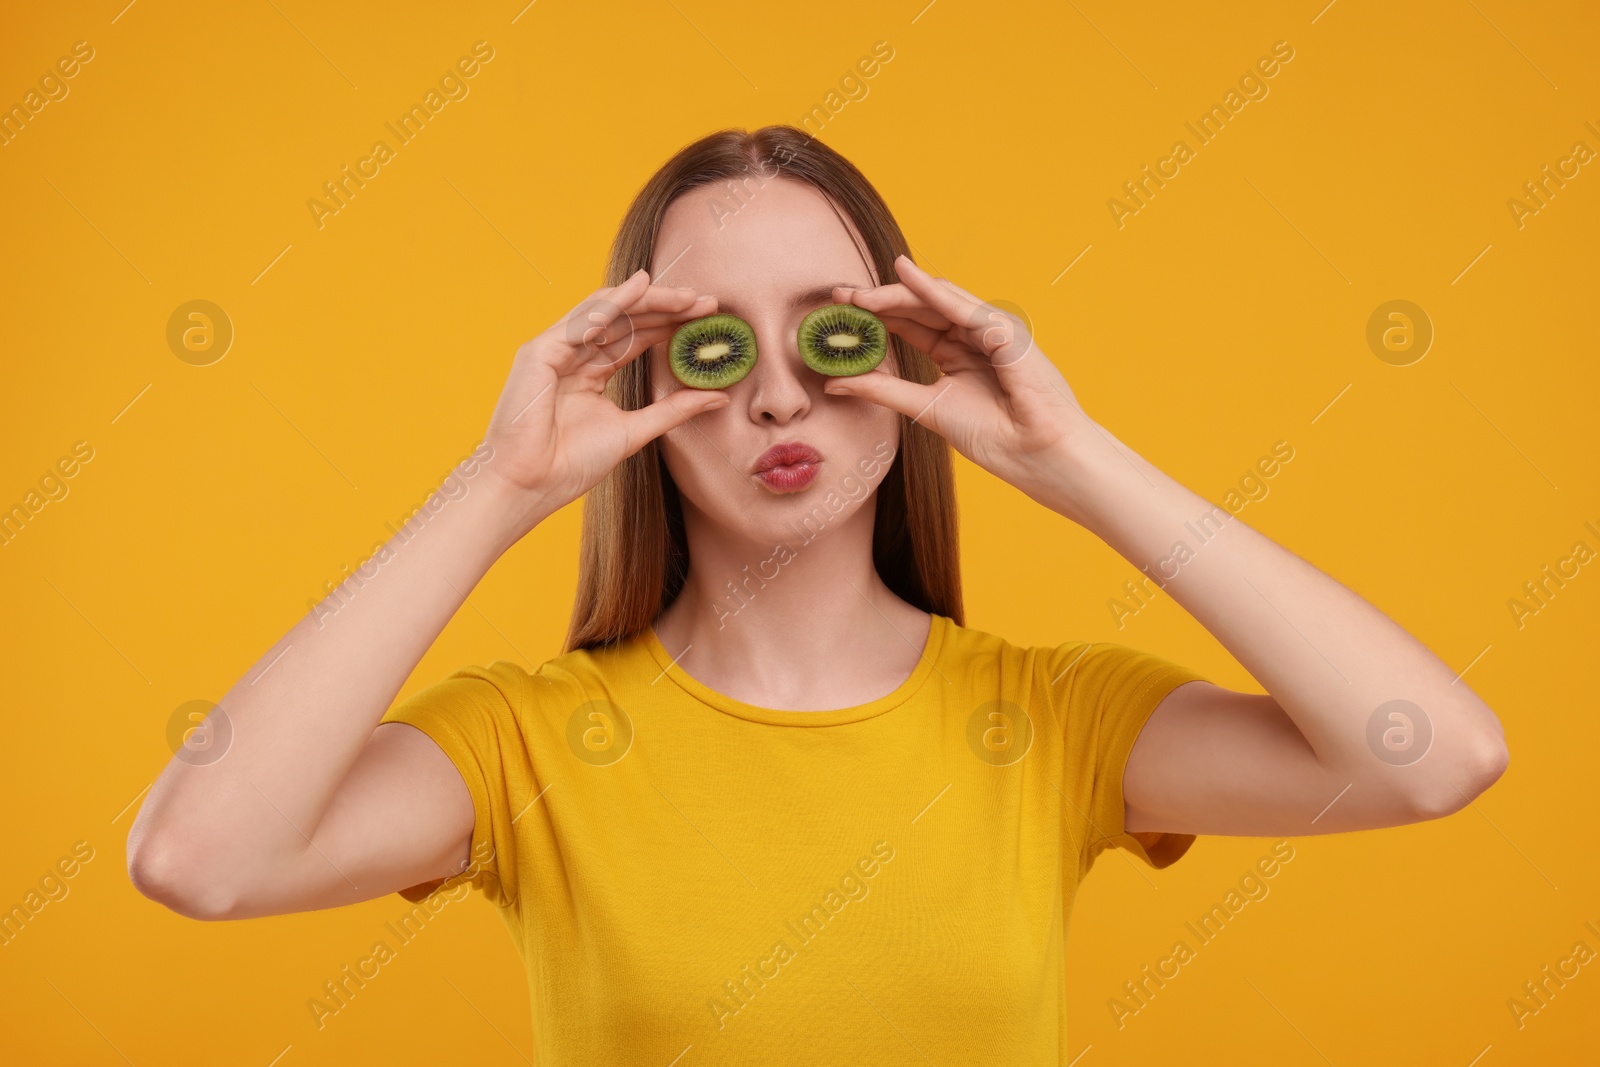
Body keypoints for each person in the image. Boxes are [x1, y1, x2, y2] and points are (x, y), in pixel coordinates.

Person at [126, 126, 1508, 1062]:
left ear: (903, 354)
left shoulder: (1052, 721)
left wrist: (1072, 459)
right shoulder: (526, 745)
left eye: (829, 331)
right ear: (650, 380)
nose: (782, 390)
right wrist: (495, 489)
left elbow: (1439, 757)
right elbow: (200, 860)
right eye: (720, 344)